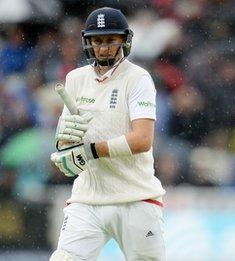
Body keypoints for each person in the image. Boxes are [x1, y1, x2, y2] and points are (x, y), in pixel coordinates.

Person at [49, 7, 165, 261]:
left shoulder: (138, 79)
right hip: (88, 197)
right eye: (97, 41)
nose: (103, 48)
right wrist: (65, 146)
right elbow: (66, 140)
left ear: (124, 40)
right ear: (88, 41)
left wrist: (91, 150)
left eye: (110, 40)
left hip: (135, 196)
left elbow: (143, 140)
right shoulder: (75, 79)